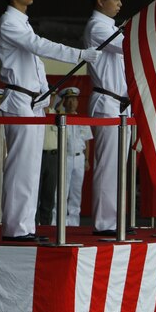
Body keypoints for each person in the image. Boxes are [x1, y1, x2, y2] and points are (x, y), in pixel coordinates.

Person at [0, 0, 100, 241]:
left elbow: (35, 61)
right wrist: (80, 55)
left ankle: (26, 227)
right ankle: (15, 229)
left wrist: (43, 90)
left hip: (32, 102)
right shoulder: (9, 23)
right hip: (19, 101)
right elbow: (40, 46)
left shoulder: (21, 23)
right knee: (19, 168)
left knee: (30, 169)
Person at [84, 0, 129, 235]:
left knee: (118, 166)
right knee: (108, 166)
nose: (119, 3)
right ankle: (104, 222)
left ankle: (115, 219)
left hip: (120, 103)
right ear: (101, 0)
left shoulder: (111, 27)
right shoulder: (97, 27)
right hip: (107, 101)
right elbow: (128, 46)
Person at [59, 87, 92, 226]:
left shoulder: (81, 119)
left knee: (76, 192)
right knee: (62, 191)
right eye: (69, 100)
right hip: (64, 157)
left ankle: (73, 222)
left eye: (75, 99)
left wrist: (86, 159)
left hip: (79, 157)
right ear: (64, 102)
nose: (73, 102)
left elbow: (87, 141)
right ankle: (57, 221)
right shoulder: (60, 118)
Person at [36, 96, 59, 226]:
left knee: (49, 195)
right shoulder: (35, 114)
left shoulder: (56, 115)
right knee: (35, 194)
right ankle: (33, 225)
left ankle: (46, 226)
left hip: (53, 157)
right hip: (38, 156)